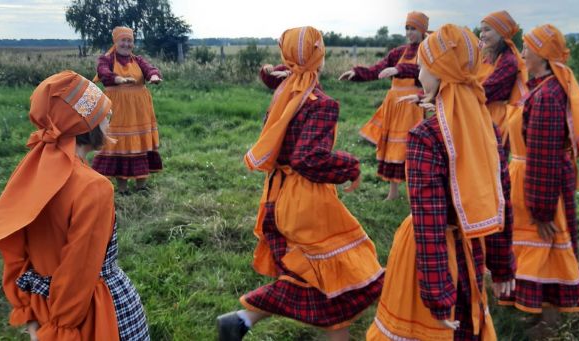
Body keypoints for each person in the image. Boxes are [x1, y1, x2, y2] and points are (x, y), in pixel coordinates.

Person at [217, 27, 384, 341]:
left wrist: (268, 72)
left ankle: (241, 320)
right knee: (336, 272)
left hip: (275, 196)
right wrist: (351, 165)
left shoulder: (285, 91)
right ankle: (242, 318)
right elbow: (308, 159)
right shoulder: (320, 103)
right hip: (305, 203)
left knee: (311, 274)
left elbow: (276, 77)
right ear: (319, 58)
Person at [366, 24, 515, 341]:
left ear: (439, 71)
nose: (418, 75)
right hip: (472, 246)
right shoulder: (486, 127)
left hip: (429, 258)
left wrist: (436, 294)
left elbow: (429, 221)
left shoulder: (426, 137)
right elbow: (500, 202)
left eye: (422, 67)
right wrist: (502, 266)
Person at [0, 71, 149, 340]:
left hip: (43, 305)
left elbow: (14, 248)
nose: (110, 118)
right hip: (90, 314)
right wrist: (61, 329)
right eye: (103, 112)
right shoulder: (94, 187)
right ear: (84, 124)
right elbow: (79, 272)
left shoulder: (31, 170)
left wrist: (31, 314)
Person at [497, 24, 579, 338]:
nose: (523, 52)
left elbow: (543, 157)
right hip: (528, 181)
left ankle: (549, 325)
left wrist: (541, 210)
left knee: (547, 250)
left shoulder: (546, 96)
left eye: (528, 47)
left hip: (538, 186)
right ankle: (540, 317)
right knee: (542, 251)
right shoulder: (543, 88)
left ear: (542, 55)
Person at [338, 11, 429, 200]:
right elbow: (377, 69)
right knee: (391, 147)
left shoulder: (427, 52)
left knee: (410, 148)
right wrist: (356, 73)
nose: (410, 33)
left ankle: (415, 193)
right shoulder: (398, 52)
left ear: (422, 31)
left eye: (414, 29)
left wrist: (399, 69)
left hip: (413, 105)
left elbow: (424, 71)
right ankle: (393, 193)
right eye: (407, 28)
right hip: (393, 105)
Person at [92, 26, 163, 195]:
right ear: (116, 42)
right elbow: (103, 73)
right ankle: (122, 188)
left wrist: (153, 76)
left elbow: (150, 69)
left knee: (140, 142)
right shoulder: (106, 59)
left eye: (129, 41)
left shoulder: (138, 60)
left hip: (139, 109)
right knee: (119, 144)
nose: (126, 44)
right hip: (116, 109)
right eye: (123, 40)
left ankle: (141, 186)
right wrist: (119, 79)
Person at [479, 11, 528, 147]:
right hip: (481, 115)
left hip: (495, 121)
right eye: (481, 30)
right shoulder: (487, 57)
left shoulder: (508, 61)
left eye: (487, 30)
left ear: (501, 33)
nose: (482, 35)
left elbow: (484, 91)